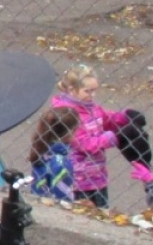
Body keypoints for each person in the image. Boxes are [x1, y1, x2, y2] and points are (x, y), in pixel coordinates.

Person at [49, 64, 128, 210]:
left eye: (94, 90)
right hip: (77, 179)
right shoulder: (67, 115)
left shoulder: (91, 107)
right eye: (88, 91)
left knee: (102, 213)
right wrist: (112, 137)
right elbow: (84, 143)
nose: (92, 95)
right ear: (72, 89)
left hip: (97, 175)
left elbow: (105, 119)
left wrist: (123, 118)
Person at [28, 107, 80, 206]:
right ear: (70, 132)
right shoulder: (62, 163)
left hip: (38, 203)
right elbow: (64, 199)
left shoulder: (42, 149)